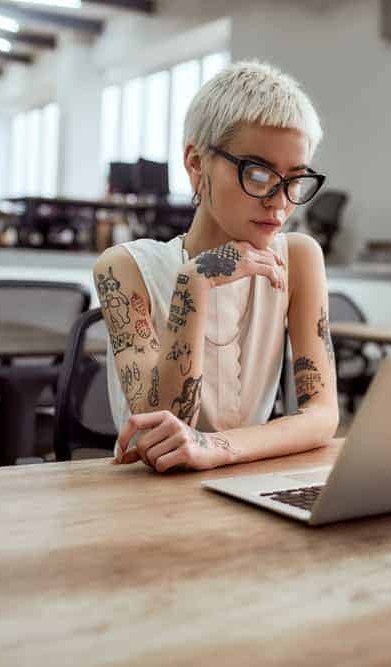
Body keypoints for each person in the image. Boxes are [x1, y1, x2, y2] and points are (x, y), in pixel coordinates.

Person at [95, 61, 339, 472]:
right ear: (196, 163)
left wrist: (216, 447)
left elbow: (322, 416)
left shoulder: (299, 257)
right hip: (149, 499)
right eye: (258, 173)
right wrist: (196, 281)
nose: (279, 202)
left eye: (294, 180)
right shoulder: (123, 268)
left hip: (246, 479)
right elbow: (161, 434)